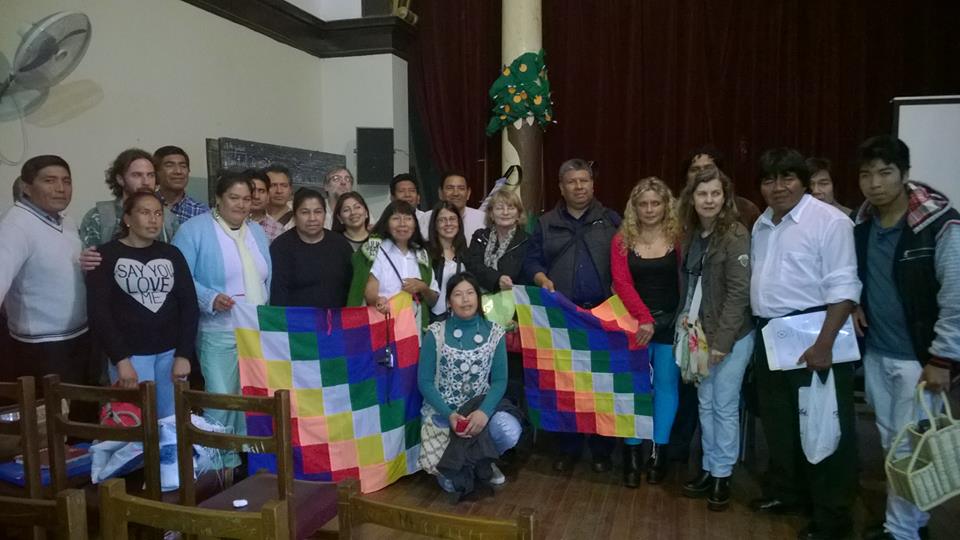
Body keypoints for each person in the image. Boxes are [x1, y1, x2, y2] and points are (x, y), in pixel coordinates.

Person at [750, 148, 861, 540]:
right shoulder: (763, 223)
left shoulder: (830, 221)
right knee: (780, 425)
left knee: (825, 428)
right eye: (769, 180)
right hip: (771, 335)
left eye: (787, 178)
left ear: (803, 181)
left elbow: (844, 287)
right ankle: (790, 494)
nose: (778, 187)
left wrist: (824, 344)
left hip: (816, 335)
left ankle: (833, 518)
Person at [851, 135, 958, 540]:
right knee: (891, 442)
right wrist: (856, 302)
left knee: (907, 447)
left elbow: (955, 296)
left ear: (905, 174)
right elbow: (860, 276)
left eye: (885, 173)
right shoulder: (863, 225)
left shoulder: (938, 224)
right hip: (878, 350)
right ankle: (913, 524)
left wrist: (942, 358)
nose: (875, 183)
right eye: (866, 175)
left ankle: (900, 532)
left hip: (919, 357)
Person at [523, 158, 621, 474]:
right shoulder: (545, 223)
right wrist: (541, 278)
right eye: (572, 182)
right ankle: (567, 448)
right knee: (566, 386)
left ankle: (602, 450)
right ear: (561, 188)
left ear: (592, 184)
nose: (579, 187)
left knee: (602, 386)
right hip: (562, 317)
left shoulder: (612, 221)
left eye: (584, 181)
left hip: (602, 316)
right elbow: (531, 262)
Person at [171, 171, 271, 443]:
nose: (241, 204)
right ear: (218, 198)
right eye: (234, 198)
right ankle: (219, 461)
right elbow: (179, 276)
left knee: (251, 397)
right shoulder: (194, 230)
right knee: (222, 398)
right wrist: (210, 298)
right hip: (218, 330)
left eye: (246, 199)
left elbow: (266, 278)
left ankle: (245, 456)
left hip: (255, 330)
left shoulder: (256, 231)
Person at [674, 169, 754, 511]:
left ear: (725, 197)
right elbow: (691, 284)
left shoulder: (735, 235)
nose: (709, 200)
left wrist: (722, 343)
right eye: (702, 194)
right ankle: (709, 467)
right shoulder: (693, 233)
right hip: (699, 333)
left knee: (724, 405)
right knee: (705, 403)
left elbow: (738, 294)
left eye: (715, 193)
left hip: (731, 335)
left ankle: (723, 474)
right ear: (692, 198)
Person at [86, 191, 199, 418]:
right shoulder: (105, 256)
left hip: (170, 354)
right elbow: (99, 313)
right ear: (127, 218)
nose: (153, 219)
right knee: (135, 422)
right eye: (145, 213)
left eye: (158, 213)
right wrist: (121, 360)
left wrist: (184, 355)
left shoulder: (172, 254)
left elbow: (189, 306)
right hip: (131, 356)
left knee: (171, 421)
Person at [417, 272, 522, 494]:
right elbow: (424, 382)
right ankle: (468, 465)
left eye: (470, 293)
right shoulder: (435, 333)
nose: (465, 300)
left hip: (479, 409)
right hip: (444, 413)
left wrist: (484, 412)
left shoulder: (495, 333)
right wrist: (449, 414)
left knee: (509, 430)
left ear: (478, 297)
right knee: (453, 486)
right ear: (449, 302)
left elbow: (500, 380)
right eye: (458, 294)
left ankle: (484, 461)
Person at [610, 177, 682, 488]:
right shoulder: (621, 240)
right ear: (634, 207)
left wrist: (663, 321)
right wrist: (644, 319)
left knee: (666, 387)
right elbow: (621, 283)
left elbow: (686, 280)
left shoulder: (679, 237)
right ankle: (632, 454)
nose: (650, 209)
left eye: (656, 203)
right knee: (632, 390)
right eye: (643, 204)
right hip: (633, 324)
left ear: (666, 205)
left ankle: (658, 453)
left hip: (671, 322)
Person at [0, 156, 93, 396]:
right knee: (53, 416)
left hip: (78, 337)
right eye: (49, 181)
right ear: (26, 187)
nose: (60, 188)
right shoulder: (15, 226)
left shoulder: (66, 220)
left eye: (66, 181)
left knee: (82, 411)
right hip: (42, 348)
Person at [347, 200, 439, 331]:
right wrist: (378, 301)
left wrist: (423, 287)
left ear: (415, 224)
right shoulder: (376, 250)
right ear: (387, 223)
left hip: (414, 327)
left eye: (408, 219)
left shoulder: (422, 254)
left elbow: (433, 300)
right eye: (396, 218)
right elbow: (369, 291)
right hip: (384, 324)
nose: (402, 224)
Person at [270, 188, 353, 308]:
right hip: (296, 318)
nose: (312, 218)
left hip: (336, 317)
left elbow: (351, 287)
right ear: (295, 216)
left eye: (318, 212)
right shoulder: (281, 247)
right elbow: (278, 295)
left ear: (325, 214)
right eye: (305, 212)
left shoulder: (340, 244)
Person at [79, 148, 178, 249]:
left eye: (150, 175)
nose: (146, 182)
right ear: (120, 179)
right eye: (137, 175)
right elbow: (91, 256)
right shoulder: (99, 216)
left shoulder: (168, 218)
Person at [463, 188, 529, 294]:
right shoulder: (480, 236)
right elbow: (472, 266)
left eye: (511, 208)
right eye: (499, 208)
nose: (505, 212)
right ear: (491, 214)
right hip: (479, 298)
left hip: (513, 299)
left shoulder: (526, 241)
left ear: (518, 214)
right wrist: (497, 279)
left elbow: (523, 274)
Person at [683, 145, 761, 230]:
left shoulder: (746, 209)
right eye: (695, 169)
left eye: (708, 168)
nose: (702, 173)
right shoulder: (676, 212)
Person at [426, 201, 468, 320]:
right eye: (442, 220)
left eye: (452, 219)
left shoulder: (465, 252)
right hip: (432, 320)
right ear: (435, 225)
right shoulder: (425, 253)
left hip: (461, 318)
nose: (448, 223)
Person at [418, 172, 486, 245]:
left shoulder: (482, 219)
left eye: (461, 188)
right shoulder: (426, 218)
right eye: (450, 188)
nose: (455, 193)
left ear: (468, 193)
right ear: (440, 193)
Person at [154, 145, 209, 225]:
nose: (178, 171)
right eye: (169, 165)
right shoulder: (144, 206)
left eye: (183, 166)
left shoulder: (201, 213)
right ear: (156, 171)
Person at [261, 164, 294, 242]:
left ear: (290, 189)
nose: (279, 191)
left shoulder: (298, 219)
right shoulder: (253, 216)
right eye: (273, 185)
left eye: (284, 185)